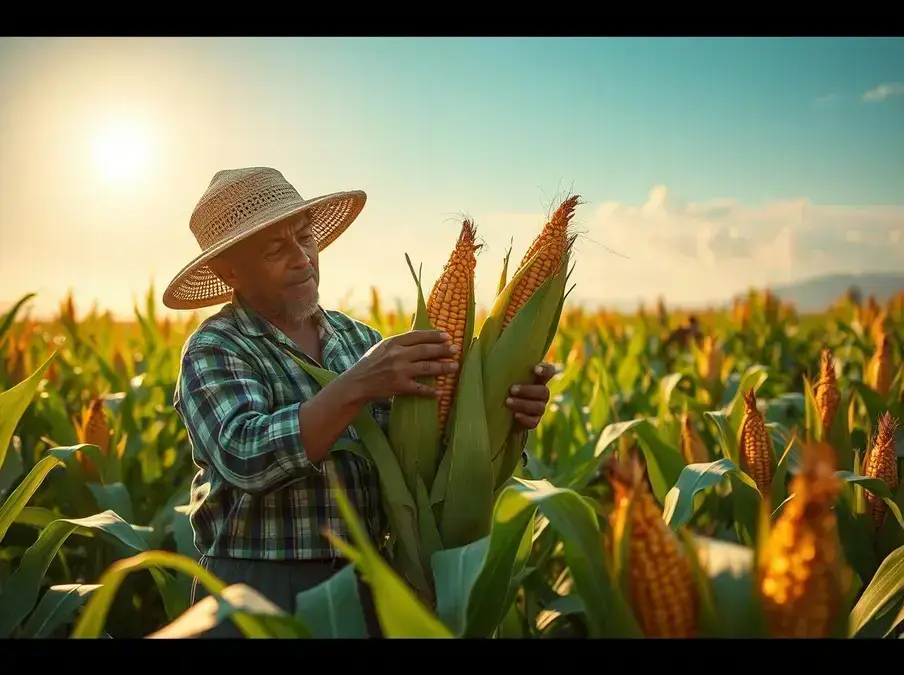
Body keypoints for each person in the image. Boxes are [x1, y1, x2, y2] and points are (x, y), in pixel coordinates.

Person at [162, 167, 556, 638]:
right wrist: (356, 385)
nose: (303, 259)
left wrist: (504, 417)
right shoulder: (216, 348)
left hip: (366, 583)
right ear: (229, 269)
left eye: (306, 238)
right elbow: (245, 457)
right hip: (254, 590)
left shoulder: (359, 339)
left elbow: (426, 454)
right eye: (275, 249)